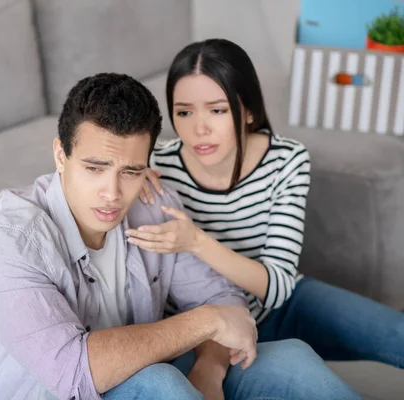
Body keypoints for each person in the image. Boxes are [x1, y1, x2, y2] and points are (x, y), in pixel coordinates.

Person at [0, 72, 360, 400]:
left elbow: (224, 300)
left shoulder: (151, 205)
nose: (113, 194)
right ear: (61, 155)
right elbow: (74, 373)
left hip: (136, 380)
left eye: (131, 171)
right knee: (159, 383)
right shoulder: (7, 242)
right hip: (62, 392)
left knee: (291, 359)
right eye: (95, 168)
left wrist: (208, 369)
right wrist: (204, 323)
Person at [128, 38, 404, 388]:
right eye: (184, 112)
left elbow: (276, 287)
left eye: (217, 110)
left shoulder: (287, 160)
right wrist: (128, 175)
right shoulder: (156, 167)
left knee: (397, 331)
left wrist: (196, 241)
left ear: (248, 112)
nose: (199, 129)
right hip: (211, 331)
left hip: (280, 304)